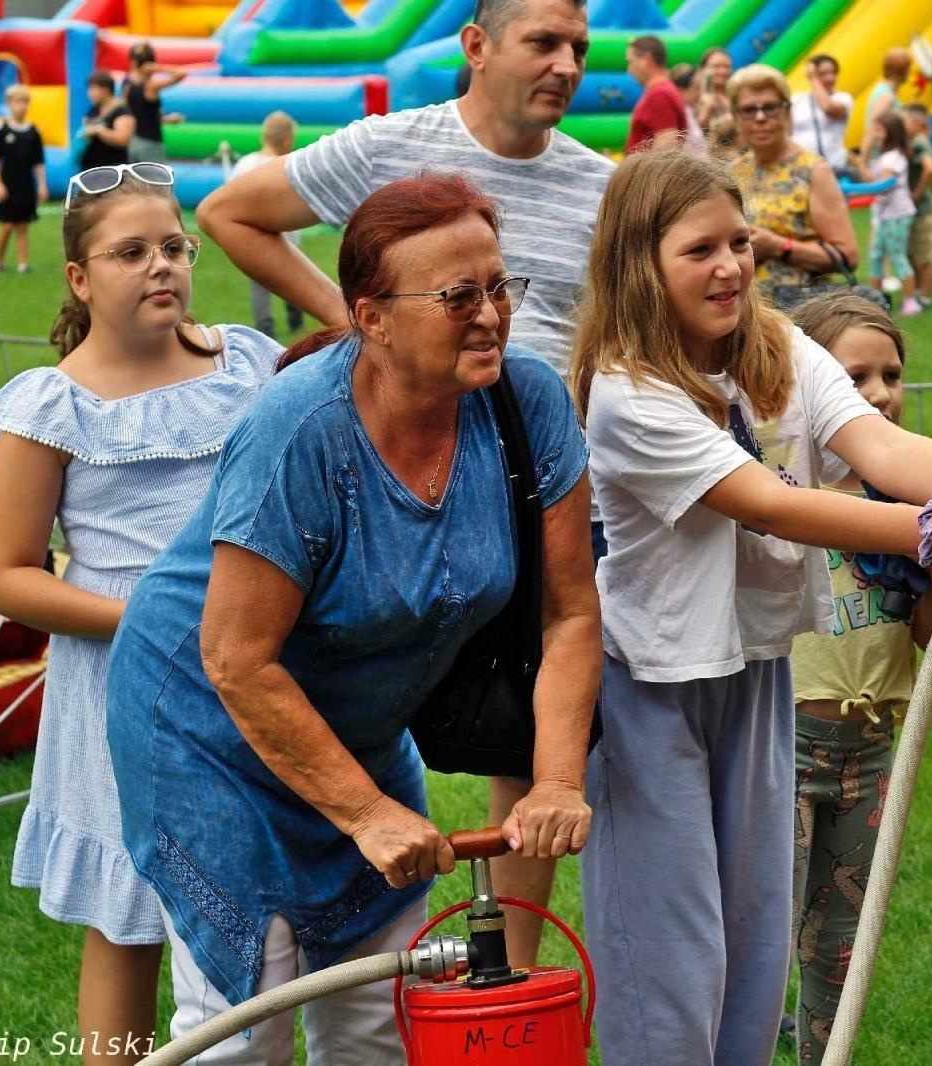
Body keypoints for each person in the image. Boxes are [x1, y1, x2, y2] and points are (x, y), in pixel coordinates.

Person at [570, 147, 932, 1066]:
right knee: (671, 956)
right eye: (699, 251)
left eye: (740, 242)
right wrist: (931, 534)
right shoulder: (626, 389)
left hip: (759, 670)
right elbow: (767, 501)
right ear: (641, 263)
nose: (731, 267)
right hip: (652, 687)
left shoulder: (780, 344)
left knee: (757, 946)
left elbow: (874, 444)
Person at [107, 172, 600, 1062]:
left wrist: (557, 780)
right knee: (244, 1026)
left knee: (381, 1014)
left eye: (499, 287)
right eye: (457, 296)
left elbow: (569, 613)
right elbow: (235, 658)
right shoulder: (302, 430)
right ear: (371, 318)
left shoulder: (528, 402)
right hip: (205, 726)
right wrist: (367, 814)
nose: (490, 314)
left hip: (355, 732)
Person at [197, 0, 612, 969]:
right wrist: (357, 339)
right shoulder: (392, 148)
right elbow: (229, 212)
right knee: (339, 670)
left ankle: (508, 973)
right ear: (475, 46)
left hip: (521, 478)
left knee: (520, 716)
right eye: (542, 42)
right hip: (378, 478)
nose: (564, 65)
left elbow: (566, 621)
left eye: (579, 49)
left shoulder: (599, 189)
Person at [0, 161, 279, 1066]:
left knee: (264, 891)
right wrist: (148, 616)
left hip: (256, 669)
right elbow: (5, 577)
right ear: (79, 276)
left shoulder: (246, 364)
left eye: (174, 248)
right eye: (131, 252)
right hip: (124, 686)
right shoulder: (52, 407)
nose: (162, 267)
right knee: (131, 907)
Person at [783, 292, 932, 1063]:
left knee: (839, 943)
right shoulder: (776, 489)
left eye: (892, 373)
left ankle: (823, 1052)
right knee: (762, 933)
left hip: (872, 750)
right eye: (857, 376)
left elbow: (927, 633)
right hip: (782, 748)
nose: (881, 392)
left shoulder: (913, 501)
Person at [727, 64, 859, 297]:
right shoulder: (733, 173)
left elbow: (847, 256)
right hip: (742, 306)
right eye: (748, 110)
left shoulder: (813, 170)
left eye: (770, 108)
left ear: (787, 113)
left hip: (801, 309)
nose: (760, 118)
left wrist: (779, 247)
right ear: (737, 117)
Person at [229, 111, 305, 338]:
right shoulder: (288, 165)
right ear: (288, 141)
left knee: (259, 284)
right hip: (285, 237)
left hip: (251, 235)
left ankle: (265, 330)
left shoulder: (244, 164)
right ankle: (296, 322)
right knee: (294, 280)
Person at [857, 111, 918, 313]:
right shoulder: (884, 156)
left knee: (897, 255)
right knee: (875, 255)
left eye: (879, 130)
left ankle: (911, 302)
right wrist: (862, 157)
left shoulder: (893, 158)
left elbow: (879, 186)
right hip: (884, 214)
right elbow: (870, 180)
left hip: (897, 215)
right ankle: (874, 302)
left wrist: (852, 193)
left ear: (891, 132)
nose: (875, 134)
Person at [0, 85, 47, 275]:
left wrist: (42, 184)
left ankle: (22, 264)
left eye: (25, 102)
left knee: (23, 225)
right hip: (8, 184)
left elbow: (39, 162)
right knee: (7, 225)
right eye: (18, 102)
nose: (22, 106)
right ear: (9, 104)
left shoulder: (33, 132)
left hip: (26, 184)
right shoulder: (1, 130)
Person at [903, 101, 932, 310]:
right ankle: (920, 291)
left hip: (920, 210)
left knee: (923, 256)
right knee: (914, 253)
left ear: (916, 123)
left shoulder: (920, 143)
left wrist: (916, 195)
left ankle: (926, 297)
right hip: (918, 210)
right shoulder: (919, 141)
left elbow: (930, 169)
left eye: (904, 120)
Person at [790, 54, 853, 176]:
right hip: (800, 169)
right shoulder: (798, 100)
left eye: (833, 73)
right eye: (823, 74)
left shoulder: (843, 98)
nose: (830, 78)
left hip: (832, 168)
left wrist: (813, 78)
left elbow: (828, 108)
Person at [123, 42, 186, 164]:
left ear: (133, 62)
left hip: (133, 141)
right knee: (158, 181)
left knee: (136, 181)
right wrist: (159, 67)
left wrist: (166, 119)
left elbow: (138, 115)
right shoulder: (150, 86)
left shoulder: (127, 84)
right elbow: (181, 74)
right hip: (150, 142)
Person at [625, 35, 689, 153]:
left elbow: (666, 150)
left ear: (646, 60)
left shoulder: (659, 94)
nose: (629, 70)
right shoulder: (666, 90)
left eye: (631, 62)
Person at [78, 71, 134, 172]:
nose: (89, 93)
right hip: (91, 169)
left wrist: (98, 130)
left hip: (111, 170)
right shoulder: (95, 108)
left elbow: (123, 140)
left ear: (105, 89)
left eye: (92, 89)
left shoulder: (122, 111)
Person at [859, 47, 910, 159]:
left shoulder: (888, 92)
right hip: (880, 159)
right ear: (903, 70)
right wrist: (863, 164)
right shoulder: (885, 96)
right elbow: (871, 129)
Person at [694, 46, 734, 133]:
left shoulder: (735, 93)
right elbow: (692, 132)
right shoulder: (694, 96)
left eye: (726, 67)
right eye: (716, 66)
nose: (722, 71)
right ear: (703, 69)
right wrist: (707, 111)